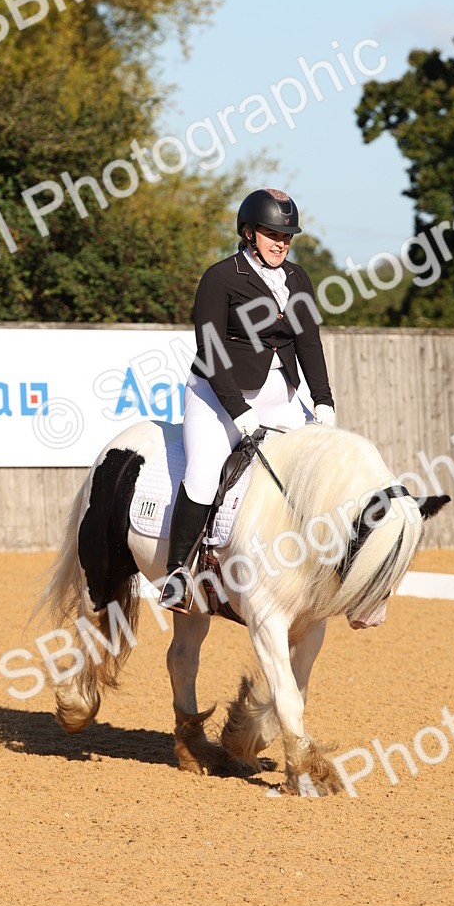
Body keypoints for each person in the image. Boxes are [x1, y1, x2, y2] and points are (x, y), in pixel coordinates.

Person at [159, 187, 336, 612]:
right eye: (272, 233)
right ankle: (177, 574)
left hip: (283, 396)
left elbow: (309, 343)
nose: (281, 242)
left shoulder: (297, 279)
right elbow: (211, 351)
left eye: (287, 235)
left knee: (323, 467)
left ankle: (326, 568)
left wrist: (324, 402)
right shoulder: (221, 278)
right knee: (203, 473)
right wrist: (238, 411)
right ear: (248, 232)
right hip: (218, 395)